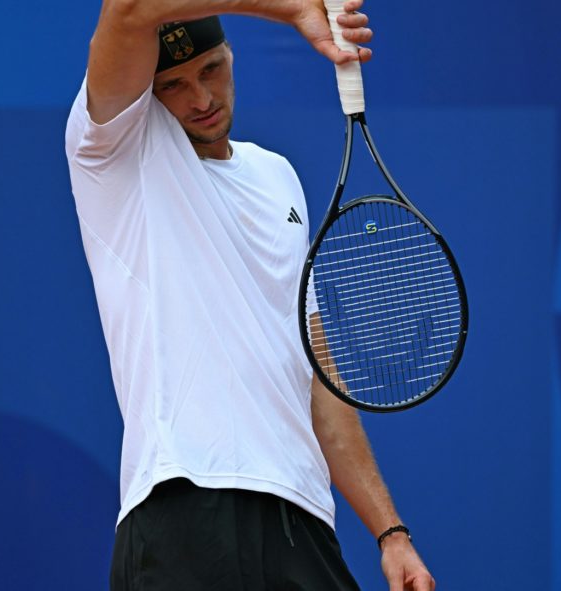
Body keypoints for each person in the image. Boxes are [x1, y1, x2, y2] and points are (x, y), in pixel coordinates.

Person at [65, 1, 434, 589]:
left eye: (211, 70)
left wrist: (391, 534)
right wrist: (291, 7)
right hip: (185, 508)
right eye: (174, 85)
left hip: (301, 523)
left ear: (231, 57)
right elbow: (128, 10)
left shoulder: (277, 177)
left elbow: (314, 377)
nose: (201, 99)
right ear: (145, 89)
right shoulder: (115, 153)